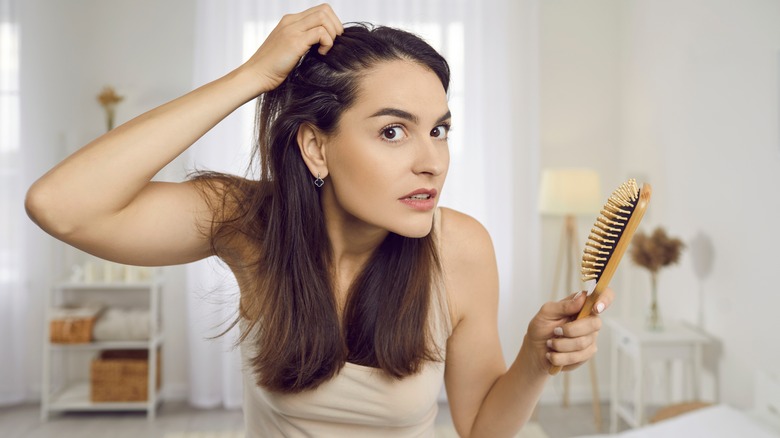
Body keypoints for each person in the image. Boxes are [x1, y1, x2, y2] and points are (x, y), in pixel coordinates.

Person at [26, 4, 613, 437]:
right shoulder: (250, 225)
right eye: (392, 131)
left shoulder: (461, 249)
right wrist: (252, 77)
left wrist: (536, 360)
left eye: (439, 129)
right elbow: (62, 206)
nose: (432, 161)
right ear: (316, 147)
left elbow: (481, 428)